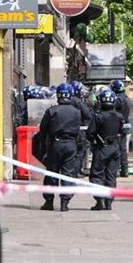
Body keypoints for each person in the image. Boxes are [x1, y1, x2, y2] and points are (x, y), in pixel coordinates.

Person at [39, 83, 81, 211]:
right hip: (71, 144)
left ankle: (49, 202)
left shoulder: (52, 111)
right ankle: (65, 202)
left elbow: (42, 130)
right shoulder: (76, 112)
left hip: (55, 144)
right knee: (68, 174)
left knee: (52, 173)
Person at [87, 90, 125, 210]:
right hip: (114, 148)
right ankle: (109, 201)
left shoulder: (98, 116)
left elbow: (90, 133)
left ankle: (100, 201)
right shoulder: (119, 116)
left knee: (97, 175)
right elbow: (121, 130)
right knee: (111, 175)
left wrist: (95, 141)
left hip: (102, 148)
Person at [70, 81, 93, 177]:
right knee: (80, 151)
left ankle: (76, 170)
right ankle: (76, 171)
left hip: (71, 130)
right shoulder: (77, 101)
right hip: (79, 131)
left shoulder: (70, 100)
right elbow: (87, 114)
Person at [111, 80, 131, 177]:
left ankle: (116, 170)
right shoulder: (126, 98)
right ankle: (124, 169)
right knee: (123, 149)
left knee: (117, 149)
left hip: (118, 127)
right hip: (125, 126)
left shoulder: (118, 99)